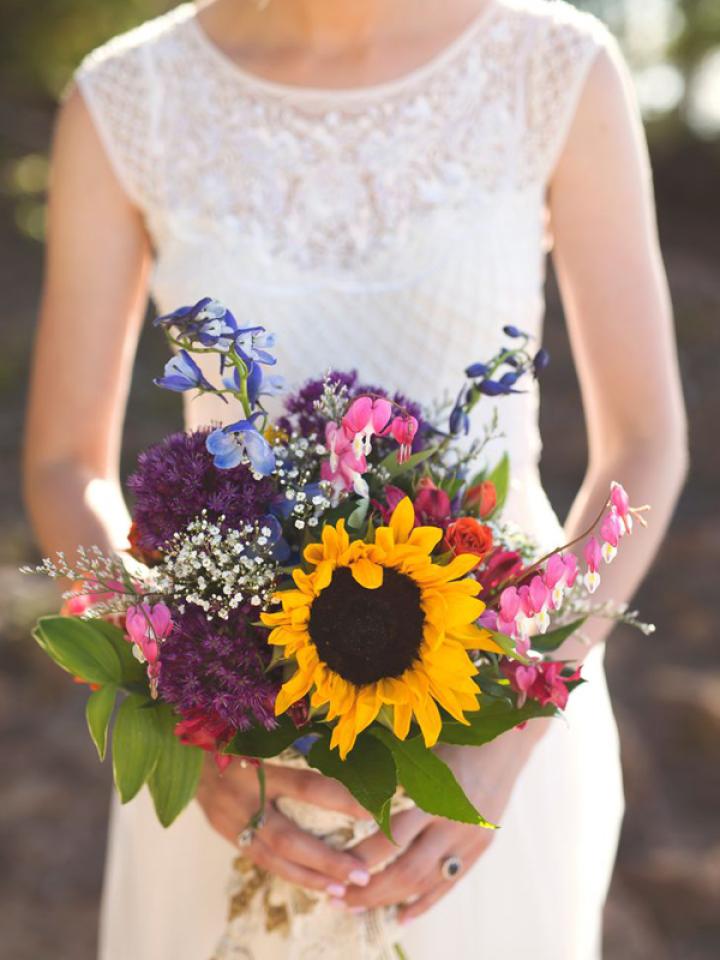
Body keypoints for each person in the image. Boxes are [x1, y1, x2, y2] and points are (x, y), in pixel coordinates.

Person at [23, 0, 687, 957]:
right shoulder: (127, 98)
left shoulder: (556, 67)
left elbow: (648, 441)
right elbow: (63, 461)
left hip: (488, 742)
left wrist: (515, 733)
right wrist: (176, 707)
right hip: (230, 756)